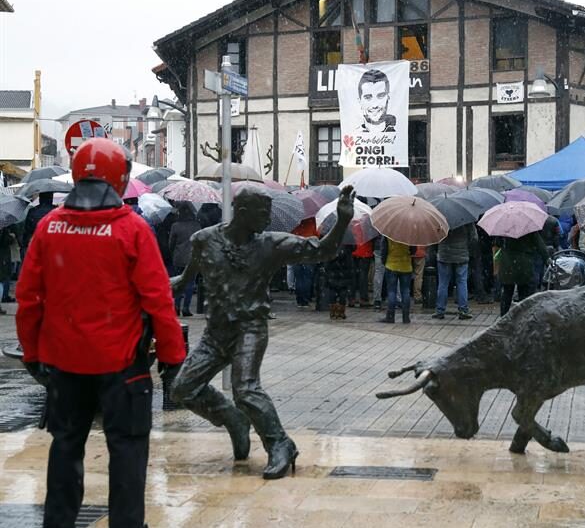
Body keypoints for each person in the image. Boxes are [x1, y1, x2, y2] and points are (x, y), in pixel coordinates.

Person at [16, 138, 185, 528]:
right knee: (127, 454)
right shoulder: (131, 229)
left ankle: (58, 522)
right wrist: (173, 359)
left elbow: (28, 299)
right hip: (122, 366)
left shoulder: (49, 226)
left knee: (65, 449)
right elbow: (158, 300)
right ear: (119, 177)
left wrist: (32, 353)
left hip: (64, 364)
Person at [170, 184, 354, 480]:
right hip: (216, 332)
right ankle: (232, 418)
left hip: (250, 326)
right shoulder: (204, 239)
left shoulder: (270, 244)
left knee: (246, 388)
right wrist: (179, 282)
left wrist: (343, 220)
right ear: (242, 213)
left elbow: (322, 250)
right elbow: (194, 267)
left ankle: (280, 443)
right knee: (182, 389)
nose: (267, 220)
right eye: (262, 214)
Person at [432, 223, 477, 320]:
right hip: (462, 255)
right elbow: (474, 238)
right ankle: (463, 310)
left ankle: (440, 310)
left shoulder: (440, 218)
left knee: (443, 283)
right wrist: (466, 247)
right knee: (462, 282)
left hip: (444, 255)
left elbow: (435, 236)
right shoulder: (466, 219)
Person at [498, 231, 549, 316]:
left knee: (507, 292)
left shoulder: (504, 228)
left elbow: (497, 243)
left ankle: (503, 316)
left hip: (507, 264)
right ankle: (522, 315)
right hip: (523, 264)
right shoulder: (529, 229)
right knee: (523, 292)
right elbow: (540, 246)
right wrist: (547, 259)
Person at [169, 202, 202, 316]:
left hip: (178, 258)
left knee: (179, 281)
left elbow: (171, 243)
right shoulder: (196, 225)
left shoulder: (175, 225)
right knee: (190, 283)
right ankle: (186, 308)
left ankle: (176, 306)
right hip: (193, 258)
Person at [379, 236, 414, 324]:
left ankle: (390, 317)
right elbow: (413, 250)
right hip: (406, 266)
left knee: (391, 292)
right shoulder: (409, 234)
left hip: (391, 265)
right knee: (406, 291)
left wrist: (384, 261)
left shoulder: (388, 233)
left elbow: (384, 249)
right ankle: (406, 317)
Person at [353, 69, 396, 134]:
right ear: (360, 101)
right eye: (368, 97)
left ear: (388, 97)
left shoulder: (399, 129)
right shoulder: (354, 133)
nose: (375, 105)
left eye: (381, 96)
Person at [326, 243, 355, 319]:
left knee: (332, 290)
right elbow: (354, 247)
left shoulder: (331, 235)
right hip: (344, 271)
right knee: (343, 291)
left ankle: (333, 311)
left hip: (332, 269)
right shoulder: (347, 237)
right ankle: (341, 312)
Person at [351, 239, 373, 307]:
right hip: (365, 252)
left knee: (353, 276)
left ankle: (352, 298)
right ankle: (363, 299)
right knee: (363, 276)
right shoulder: (368, 228)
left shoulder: (351, 227)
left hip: (354, 251)